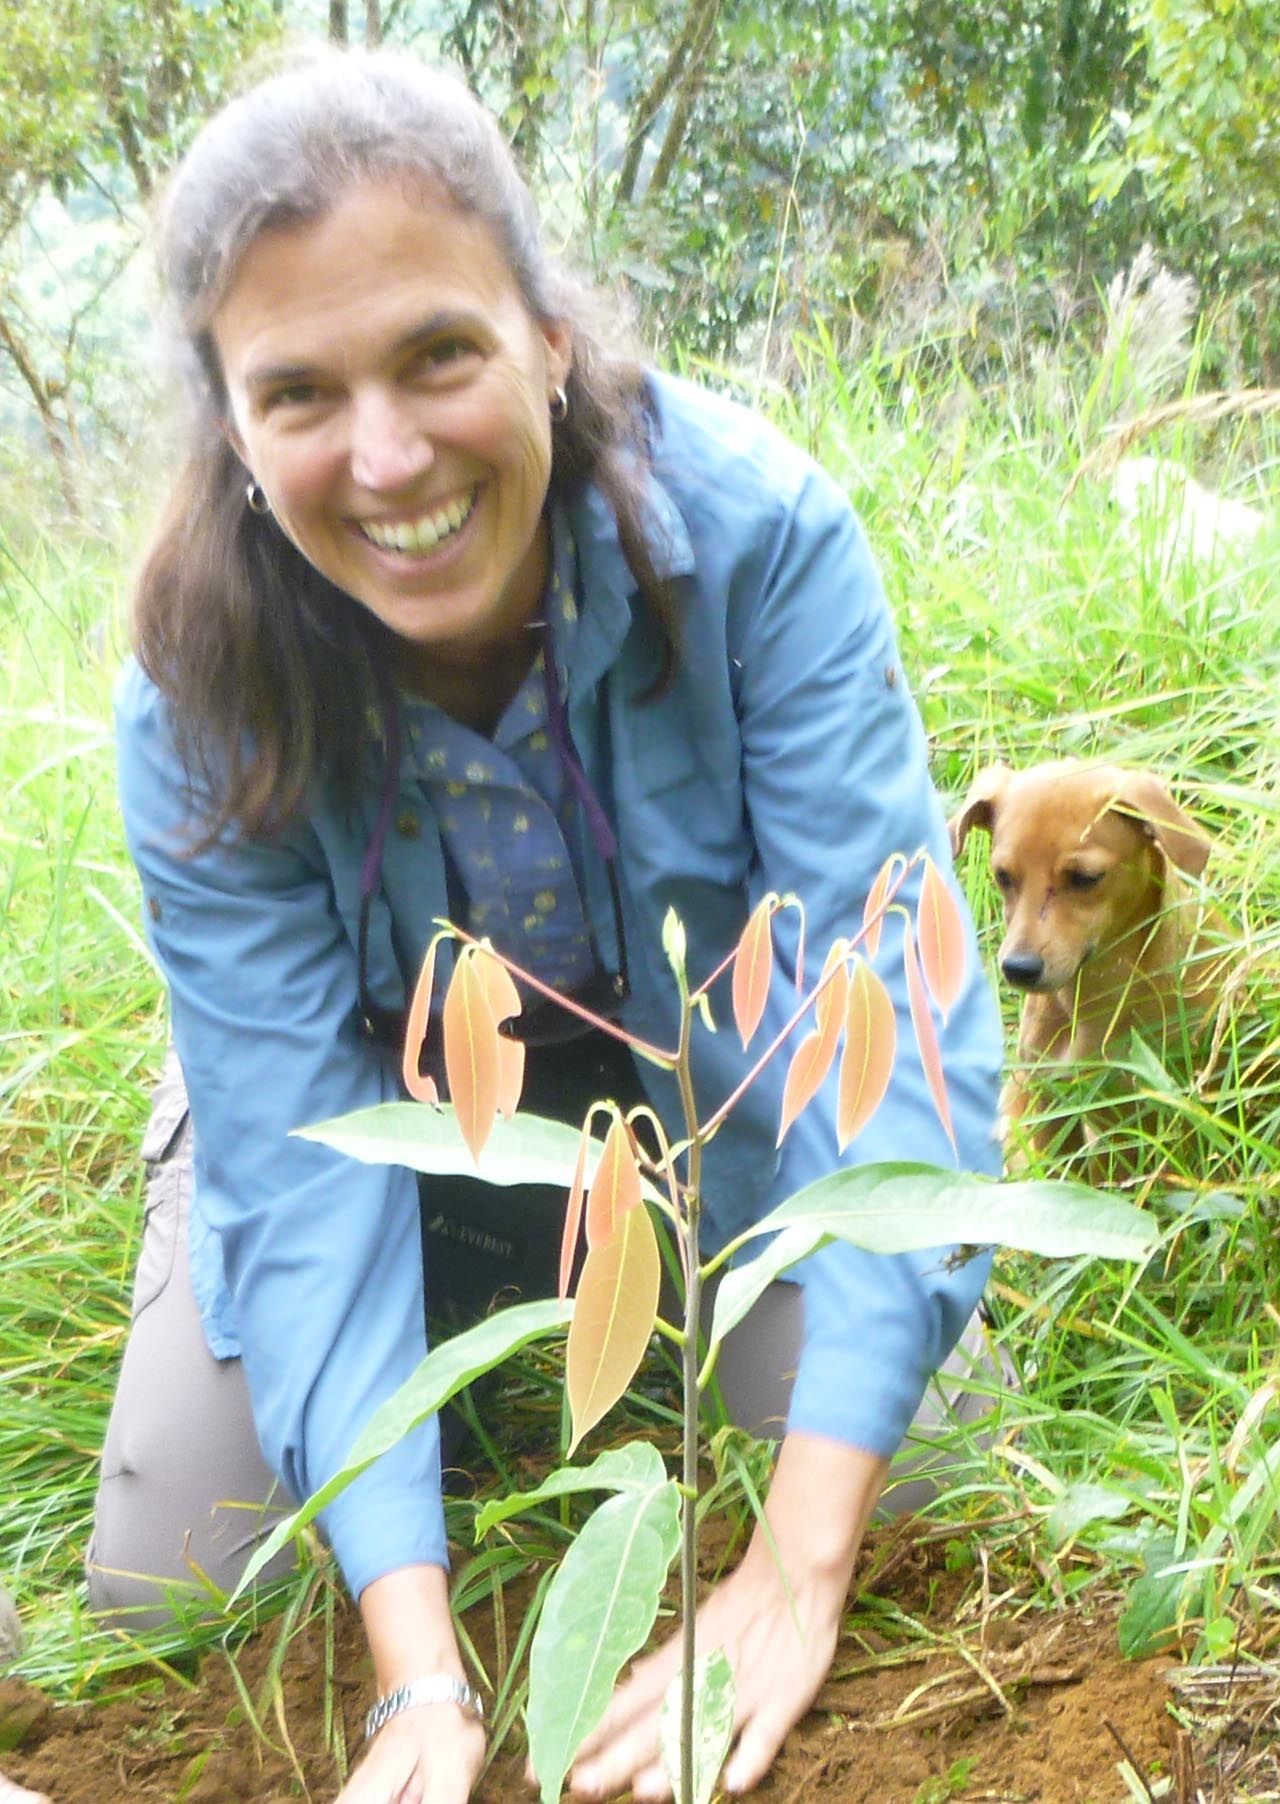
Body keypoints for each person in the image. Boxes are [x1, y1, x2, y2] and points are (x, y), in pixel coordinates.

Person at [77, 43, 1004, 1804]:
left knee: (925, 1472)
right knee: (173, 1579)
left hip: (703, 1086)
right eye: (297, 393)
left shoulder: (757, 543)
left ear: (550, 337)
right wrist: (419, 1684)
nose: (388, 454)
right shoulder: (194, 692)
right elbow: (297, 1144)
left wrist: (793, 1572)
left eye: (440, 352)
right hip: (380, 1110)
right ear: (232, 426)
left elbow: (870, 990)